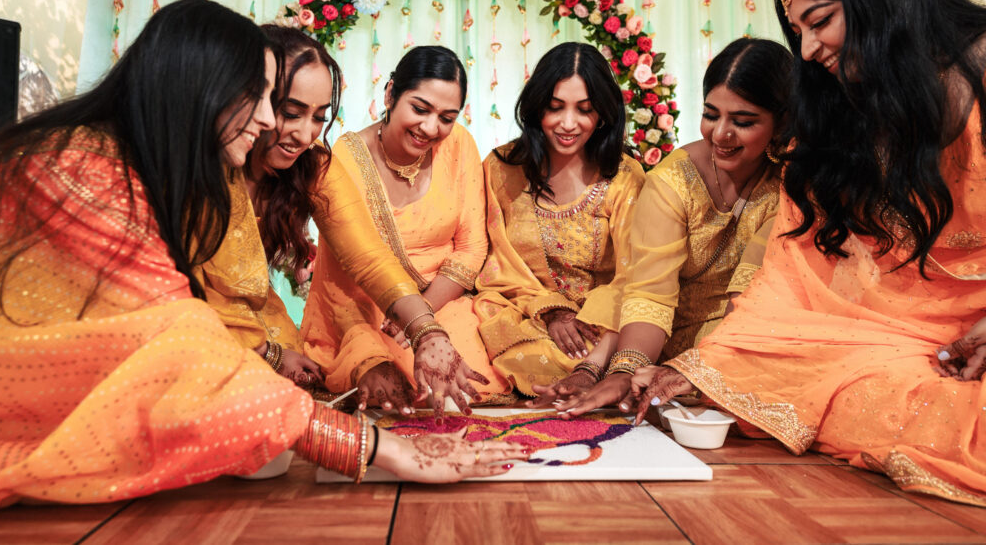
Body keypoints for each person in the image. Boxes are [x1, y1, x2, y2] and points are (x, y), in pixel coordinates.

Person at [0, 0, 526, 517]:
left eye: (315, 115)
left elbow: (368, 257)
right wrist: (374, 447)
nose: (279, 125)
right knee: (256, 439)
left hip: (187, 340)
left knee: (264, 444)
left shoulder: (175, 161)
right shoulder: (90, 172)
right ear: (195, 88)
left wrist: (425, 330)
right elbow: (176, 328)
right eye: (268, 103)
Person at [628, 0, 986, 506]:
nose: (810, 51)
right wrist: (700, 369)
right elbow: (798, 276)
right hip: (888, 330)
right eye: (798, 32)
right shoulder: (841, 116)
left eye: (820, 22)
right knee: (853, 398)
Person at [550, 38, 788, 413]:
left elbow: (752, 294)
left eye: (742, 122)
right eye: (711, 115)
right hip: (656, 333)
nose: (721, 134)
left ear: (782, 123)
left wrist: (708, 367)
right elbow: (649, 292)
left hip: (737, 330)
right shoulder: (672, 181)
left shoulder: (792, 184)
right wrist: (625, 371)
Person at [301, 45, 510, 420]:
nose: (431, 128)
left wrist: (423, 315)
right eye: (420, 109)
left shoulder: (458, 144)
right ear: (390, 94)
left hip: (443, 303)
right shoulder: (342, 161)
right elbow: (341, 277)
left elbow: (471, 248)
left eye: (447, 117)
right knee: (392, 387)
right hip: (367, 311)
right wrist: (400, 323)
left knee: (470, 388)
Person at [473, 42, 646, 397]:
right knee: (471, 341)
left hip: (602, 329)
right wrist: (550, 311)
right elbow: (494, 263)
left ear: (603, 114)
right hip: (524, 316)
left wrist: (589, 348)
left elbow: (635, 278)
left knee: (588, 359)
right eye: (555, 108)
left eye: (584, 110)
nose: (568, 124)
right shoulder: (501, 168)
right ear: (537, 108)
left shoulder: (625, 177)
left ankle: (590, 377)